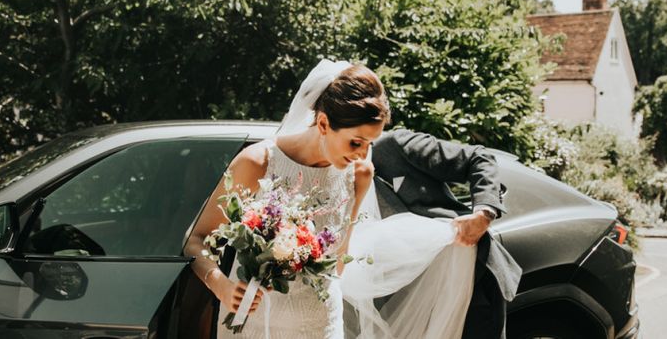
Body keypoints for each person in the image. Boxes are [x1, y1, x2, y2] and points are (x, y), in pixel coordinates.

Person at [184, 60, 389, 338]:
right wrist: (220, 284)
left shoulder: (360, 174)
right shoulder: (257, 163)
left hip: (320, 325)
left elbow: (338, 263)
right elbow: (195, 240)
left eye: (370, 144)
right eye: (356, 142)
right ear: (324, 123)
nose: (363, 155)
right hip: (252, 323)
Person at [371, 129, 523, 339]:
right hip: (400, 302)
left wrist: (483, 215)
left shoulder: (394, 146)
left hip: (468, 277)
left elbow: (479, 158)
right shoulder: (331, 176)